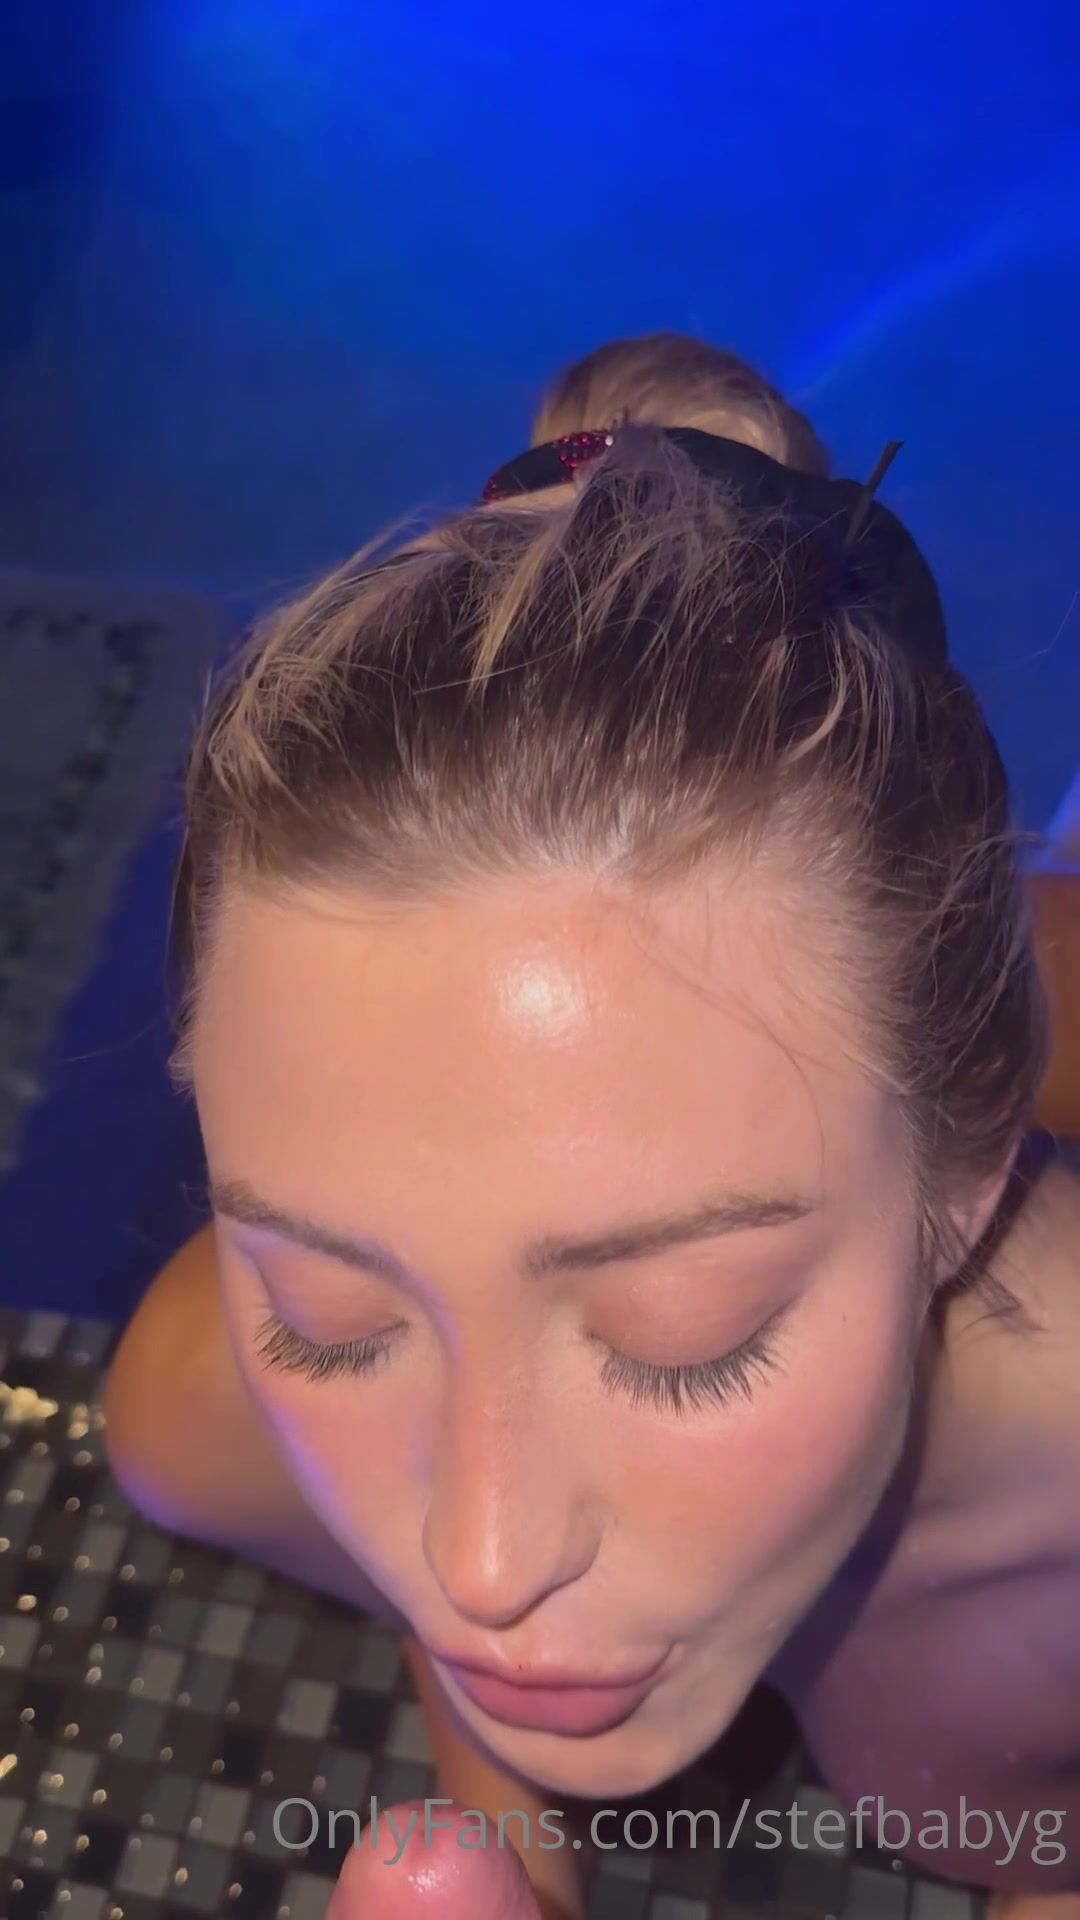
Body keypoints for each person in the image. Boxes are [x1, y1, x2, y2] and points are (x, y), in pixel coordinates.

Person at [103, 335, 1080, 1920]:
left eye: (681, 1341)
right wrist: (510, 1844)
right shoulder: (198, 1425)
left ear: (963, 1168)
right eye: (333, 1318)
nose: (479, 1563)